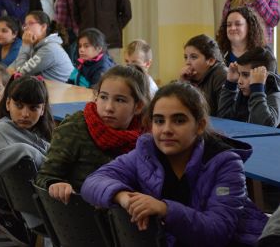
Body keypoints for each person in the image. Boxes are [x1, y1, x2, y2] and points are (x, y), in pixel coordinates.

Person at [81, 81, 268, 247]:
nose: (166, 130)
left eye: (179, 120)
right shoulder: (146, 152)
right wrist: (123, 197)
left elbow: (217, 232)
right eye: (159, 121)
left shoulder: (226, 163)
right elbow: (93, 181)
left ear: (200, 125)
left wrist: (164, 209)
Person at [36, 65, 150, 204]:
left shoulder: (147, 139)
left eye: (119, 100)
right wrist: (54, 184)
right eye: (103, 97)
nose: (108, 108)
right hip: (85, 216)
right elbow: (44, 176)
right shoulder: (75, 127)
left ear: (138, 106)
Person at [0, 73, 54, 181]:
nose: (25, 114)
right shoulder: (1, 132)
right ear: (8, 104)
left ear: (42, 109)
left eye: (33, 108)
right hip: (25, 196)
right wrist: (23, 149)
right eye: (19, 106)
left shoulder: (41, 131)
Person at [218, 47, 280, 127]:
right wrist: (231, 83)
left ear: (264, 76)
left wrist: (257, 89)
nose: (239, 81)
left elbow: (265, 126)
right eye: (239, 74)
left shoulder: (276, 96)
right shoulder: (247, 93)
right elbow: (225, 119)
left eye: (245, 75)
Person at [8, 11, 74, 82]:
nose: (25, 28)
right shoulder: (33, 45)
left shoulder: (50, 49)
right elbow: (11, 68)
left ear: (43, 27)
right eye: (25, 25)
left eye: (30, 23)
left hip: (65, 90)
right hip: (49, 89)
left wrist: (25, 45)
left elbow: (20, 74)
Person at [179, 34, 227, 116]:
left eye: (194, 57)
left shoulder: (221, 75)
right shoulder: (189, 77)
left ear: (211, 60)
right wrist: (182, 82)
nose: (187, 62)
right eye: (186, 57)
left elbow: (223, 114)